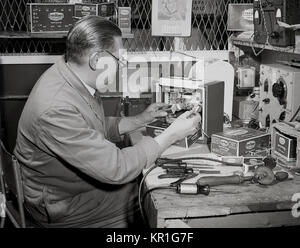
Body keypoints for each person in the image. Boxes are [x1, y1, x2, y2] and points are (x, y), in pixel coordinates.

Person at [14, 15, 201, 228]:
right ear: (96, 60)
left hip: (71, 187)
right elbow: (116, 169)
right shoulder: (55, 108)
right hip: (63, 204)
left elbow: (91, 127)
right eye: (118, 60)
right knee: (152, 195)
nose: (121, 67)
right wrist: (172, 135)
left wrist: (141, 120)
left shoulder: (69, 74)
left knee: (145, 181)